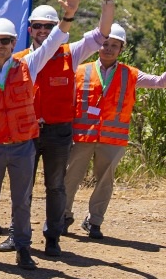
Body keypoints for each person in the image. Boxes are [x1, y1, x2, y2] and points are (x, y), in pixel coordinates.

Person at [0, 0, 78, 269]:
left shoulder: (29, 64)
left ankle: (23, 248)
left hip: (22, 145)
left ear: (14, 42)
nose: (0, 45)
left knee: (21, 201)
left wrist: (68, 16)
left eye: (5, 41)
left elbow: (52, 42)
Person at [0, 0, 114, 256]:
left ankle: (52, 237)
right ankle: (17, 234)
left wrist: (107, 2)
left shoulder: (71, 53)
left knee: (56, 186)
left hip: (58, 132)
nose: (42, 30)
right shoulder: (19, 60)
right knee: (21, 187)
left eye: (48, 25)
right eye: (37, 25)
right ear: (29, 30)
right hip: (25, 131)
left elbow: (102, 34)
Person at [63, 23, 166, 240]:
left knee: (104, 182)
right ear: (97, 45)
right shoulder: (80, 71)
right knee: (70, 178)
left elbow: (159, 83)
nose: (108, 48)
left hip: (112, 140)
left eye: (114, 45)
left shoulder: (131, 74)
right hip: (82, 136)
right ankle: (62, 217)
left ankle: (94, 221)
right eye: (105, 44)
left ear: (121, 49)